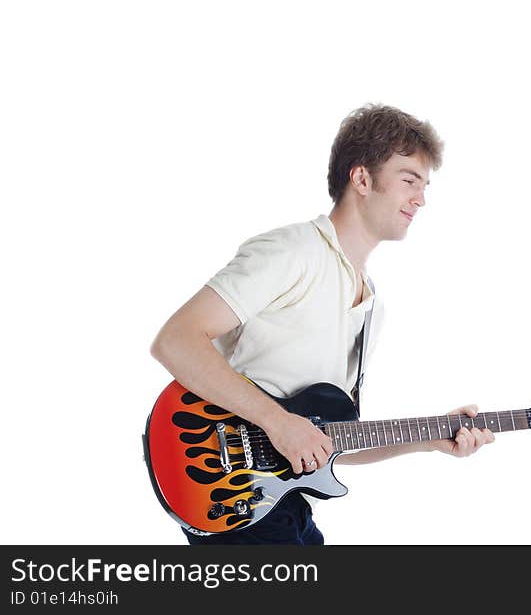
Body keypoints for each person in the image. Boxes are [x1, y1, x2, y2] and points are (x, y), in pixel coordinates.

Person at [149, 103, 495, 545]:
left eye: (425, 186)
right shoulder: (291, 252)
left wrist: (429, 438)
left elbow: (328, 443)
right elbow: (175, 340)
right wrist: (280, 423)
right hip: (225, 488)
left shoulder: (371, 305)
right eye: (409, 180)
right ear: (362, 179)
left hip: (284, 504)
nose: (421, 199)